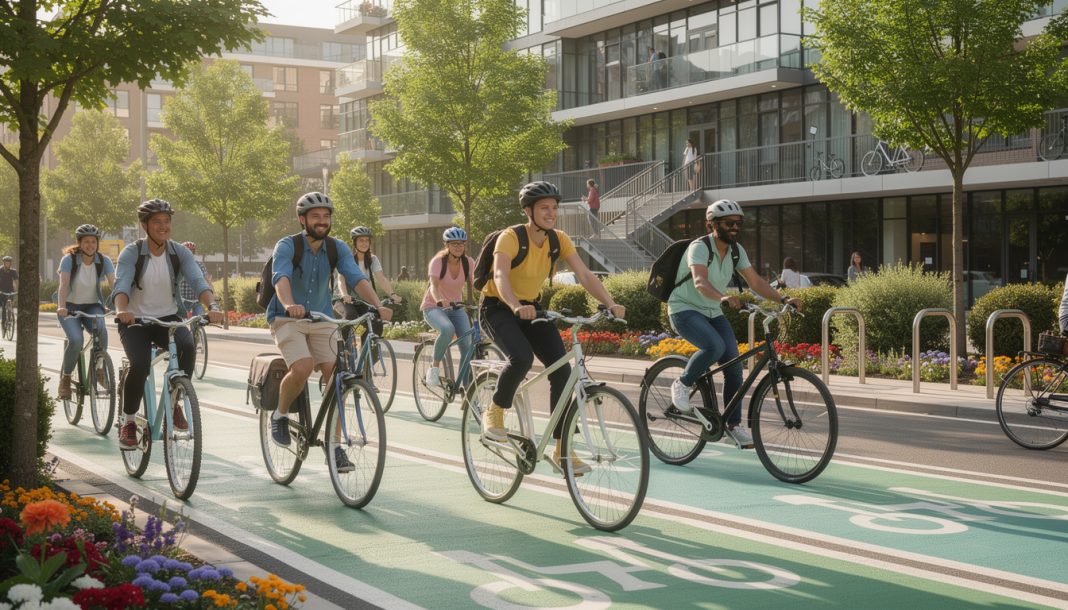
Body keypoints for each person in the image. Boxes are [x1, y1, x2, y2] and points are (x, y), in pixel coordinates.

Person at [480, 181, 626, 474]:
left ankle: (562, 449)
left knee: (562, 370)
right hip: (498, 307)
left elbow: (584, 274)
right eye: (544, 208)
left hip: (532, 307)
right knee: (520, 358)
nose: (551, 213)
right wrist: (514, 306)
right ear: (528, 211)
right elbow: (499, 275)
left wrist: (611, 303)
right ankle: (495, 409)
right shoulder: (510, 237)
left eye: (554, 208)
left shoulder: (559, 239)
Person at [267, 193, 392, 472]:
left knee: (336, 374)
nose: (322, 222)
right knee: (302, 366)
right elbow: (281, 277)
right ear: (303, 220)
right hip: (288, 318)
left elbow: (356, 278)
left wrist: (377, 305)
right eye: (315, 217)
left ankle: (333, 448)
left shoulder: (337, 249)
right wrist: (290, 304)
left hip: (322, 317)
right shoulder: (287, 245)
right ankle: (280, 414)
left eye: (326, 216)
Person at [668, 199, 802, 449]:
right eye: (729, 223)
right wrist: (723, 297)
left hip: (711, 311)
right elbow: (699, 281)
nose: (734, 227)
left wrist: (783, 298)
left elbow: (755, 282)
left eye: (738, 223)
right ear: (712, 224)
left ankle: (733, 425)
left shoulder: (736, 250)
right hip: (684, 309)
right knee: (715, 346)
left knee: (734, 368)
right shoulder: (700, 247)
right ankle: (683, 383)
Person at [112, 200, 224, 449]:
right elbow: (122, 284)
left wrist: (212, 306)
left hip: (169, 318)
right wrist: (122, 310)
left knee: (188, 347)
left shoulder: (178, 252)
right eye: (157, 222)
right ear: (145, 225)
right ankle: (129, 421)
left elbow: (198, 280)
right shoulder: (132, 252)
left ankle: (174, 404)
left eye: (167, 222)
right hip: (135, 320)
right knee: (140, 365)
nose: (163, 227)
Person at [56, 225, 116, 399]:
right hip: (69, 306)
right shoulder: (69, 260)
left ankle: (99, 369)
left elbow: (114, 284)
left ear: (97, 243)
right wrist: (62, 307)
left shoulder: (104, 261)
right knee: (76, 340)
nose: (90, 245)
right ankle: (66, 378)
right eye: (86, 242)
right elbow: (63, 285)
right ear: (79, 243)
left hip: (92, 305)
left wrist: (121, 306)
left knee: (101, 331)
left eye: (93, 242)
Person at [421, 227, 476, 388]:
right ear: (447, 245)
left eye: (461, 244)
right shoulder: (438, 262)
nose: (458, 247)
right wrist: (439, 300)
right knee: (447, 329)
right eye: (454, 244)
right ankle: (434, 368)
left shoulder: (468, 262)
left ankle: (466, 390)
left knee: (467, 344)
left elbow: (476, 284)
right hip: (434, 307)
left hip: (456, 308)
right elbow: (434, 285)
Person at [338, 226, 402, 354]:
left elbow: (381, 278)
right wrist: (344, 294)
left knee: (376, 322)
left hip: (363, 300)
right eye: (361, 240)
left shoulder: (372, 259)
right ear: (354, 242)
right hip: (346, 299)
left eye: (367, 240)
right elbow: (341, 280)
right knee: (350, 316)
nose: (364, 243)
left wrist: (393, 294)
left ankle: (368, 355)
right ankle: (346, 348)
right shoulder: (347, 258)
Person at [178, 242, 212, 316]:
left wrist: (213, 294)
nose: (190, 254)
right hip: (183, 300)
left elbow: (206, 280)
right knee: (180, 323)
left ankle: (196, 327)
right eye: (187, 251)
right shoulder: (177, 265)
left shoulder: (199, 264)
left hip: (197, 300)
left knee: (200, 319)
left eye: (192, 251)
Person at [0, 256, 17, 322]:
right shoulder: (0, 270)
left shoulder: (13, 271)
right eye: (6, 263)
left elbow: (16, 281)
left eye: (9, 263)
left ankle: (10, 317)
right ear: (4, 263)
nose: (8, 264)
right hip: (1, 291)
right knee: (3, 306)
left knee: (10, 304)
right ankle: (3, 321)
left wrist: (17, 290)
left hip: (10, 291)